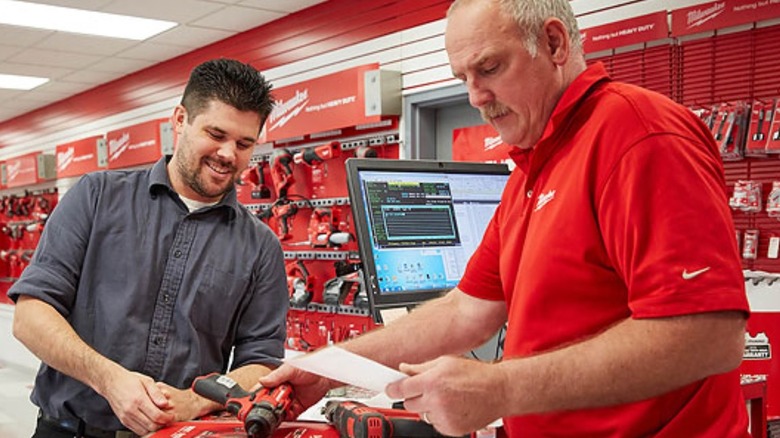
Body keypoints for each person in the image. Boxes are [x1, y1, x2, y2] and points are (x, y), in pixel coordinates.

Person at [261, 0, 751, 436]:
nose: (475, 96)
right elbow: (466, 311)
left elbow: (707, 337)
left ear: (554, 43)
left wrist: (501, 388)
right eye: (463, 79)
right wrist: (331, 368)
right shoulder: (532, 169)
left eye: (490, 68)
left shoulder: (640, 136)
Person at [10, 58, 289, 437]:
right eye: (216, 133)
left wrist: (195, 400)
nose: (228, 154)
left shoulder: (261, 246)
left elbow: (261, 361)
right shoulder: (96, 197)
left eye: (244, 143)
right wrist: (107, 378)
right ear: (179, 120)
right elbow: (30, 316)